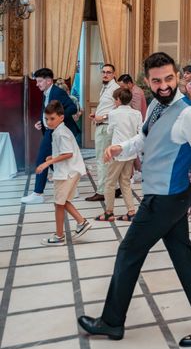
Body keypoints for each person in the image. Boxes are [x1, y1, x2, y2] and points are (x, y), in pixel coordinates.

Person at [77, 52, 191, 347]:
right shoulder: (156, 109)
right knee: (184, 259)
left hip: (166, 199)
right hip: (161, 195)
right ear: (147, 82)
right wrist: (119, 147)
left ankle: (111, 322)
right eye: (157, 80)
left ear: (177, 78)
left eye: (169, 79)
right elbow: (145, 139)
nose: (163, 85)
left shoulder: (189, 114)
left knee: (128, 252)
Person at [22, 68, 80, 205]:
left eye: (40, 81)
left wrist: (56, 120)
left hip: (57, 132)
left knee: (42, 159)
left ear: (48, 81)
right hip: (51, 131)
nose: (37, 84)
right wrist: (41, 121)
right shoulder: (46, 92)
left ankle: (38, 193)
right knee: (55, 162)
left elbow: (72, 107)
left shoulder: (58, 92)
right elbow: (46, 111)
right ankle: (72, 188)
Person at [37, 101, 92, 245]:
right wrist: (52, 157)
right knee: (62, 202)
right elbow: (65, 151)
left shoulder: (61, 133)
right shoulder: (60, 130)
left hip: (67, 173)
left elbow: (67, 153)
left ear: (61, 117)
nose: (49, 122)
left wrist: (47, 162)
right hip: (71, 171)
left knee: (58, 203)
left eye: (52, 119)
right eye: (47, 119)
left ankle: (59, 236)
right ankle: (81, 222)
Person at [95, 88, 142, 222]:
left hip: (117, 152)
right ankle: (131, 211)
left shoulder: (113, 113)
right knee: (125, 182)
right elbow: (140, 132)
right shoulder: (137, 113)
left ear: (118, 100)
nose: (114, 102)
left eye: (115, 99)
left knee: (110, 182)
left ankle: (109, 212)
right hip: (131, 152)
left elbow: (109, 131)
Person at [86, 64, 120, 202]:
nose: (105, 74)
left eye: (108, 72)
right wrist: (97, 115)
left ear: (113, 74)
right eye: (103, 72)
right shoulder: (105, 87)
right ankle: (113, 188)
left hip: (106, 127)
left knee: (102, 160)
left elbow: (119, 109)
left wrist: (103, 117)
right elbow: (107, 107)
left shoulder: (116, 88)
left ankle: (101, 191)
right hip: (102, 125)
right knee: (107, 160)